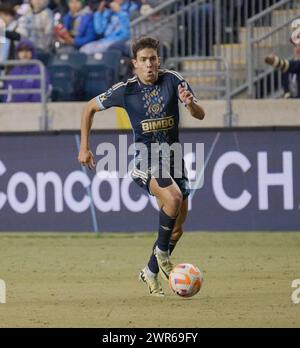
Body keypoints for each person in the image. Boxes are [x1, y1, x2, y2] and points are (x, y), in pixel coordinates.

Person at [78, 37, 205, 296]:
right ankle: (161, 253)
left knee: (178, 228)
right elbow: (89, 108)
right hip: (144, 158)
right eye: (144, 60)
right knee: (174, 198)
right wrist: (84, 147)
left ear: (159, 60)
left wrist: (190, 103)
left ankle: (149, 271)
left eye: (153, 59)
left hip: (173, 157)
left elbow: (199, 114)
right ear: (135, 64)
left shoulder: (174, 80)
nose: (150, 65)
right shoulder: (125, 90)